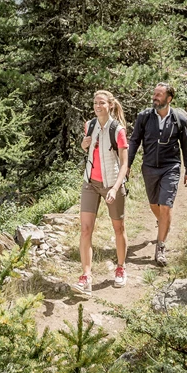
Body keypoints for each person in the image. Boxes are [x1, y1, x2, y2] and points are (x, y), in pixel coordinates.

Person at [125, 82, 187, 266]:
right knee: (154, 205)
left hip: (171, 167)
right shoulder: (144, 117)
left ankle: (161, 247)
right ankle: (163, 222)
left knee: (165, 206)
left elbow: (185, 145)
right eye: (154, 94)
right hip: (149, 167)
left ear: (169, 98)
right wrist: (128, 165)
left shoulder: (179, 119)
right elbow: (134, 141)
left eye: (159, 95)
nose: (155, 97)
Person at [73, 90, 129, 295]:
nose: (97, 106)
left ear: (110, 106)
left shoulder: (118, 130)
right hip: (90, 183)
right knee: (86, 230)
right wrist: (83, 145)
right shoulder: (90, 125)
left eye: (101, 103)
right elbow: (89, 150)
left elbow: (125, 164)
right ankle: (86, 276)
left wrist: (114, 188)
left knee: (119, 229)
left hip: (111, 184)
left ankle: (121, 268)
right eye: (95, 102)